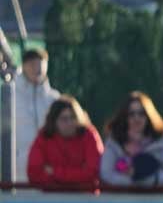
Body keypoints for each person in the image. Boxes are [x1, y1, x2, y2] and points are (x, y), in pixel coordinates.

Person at [100, 92, 163, 189]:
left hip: (158, 200)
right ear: (125, 117)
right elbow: (106, 174)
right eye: (132, 114)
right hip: (122, 200)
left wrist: (146, 180)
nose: (136, 118)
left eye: (141, 113)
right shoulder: (114, 141)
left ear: (149, 116)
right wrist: (132, 180)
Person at [27, 95, 103, 191]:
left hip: (85, 200)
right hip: (52, 201)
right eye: (64, 119)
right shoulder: (44, 137)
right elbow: (34, 175)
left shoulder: (89, 135)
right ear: (54, 121)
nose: (70, 123)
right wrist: (78, 174)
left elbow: (93, 173)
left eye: (73, 118)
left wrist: (54, 172)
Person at [13, 48, 60, 182]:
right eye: (32, 64)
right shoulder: (10, 97)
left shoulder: (55, 99)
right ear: (24, 66)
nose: (37, 68)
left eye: (41, 64)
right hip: (17, 172)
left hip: (48, 170)